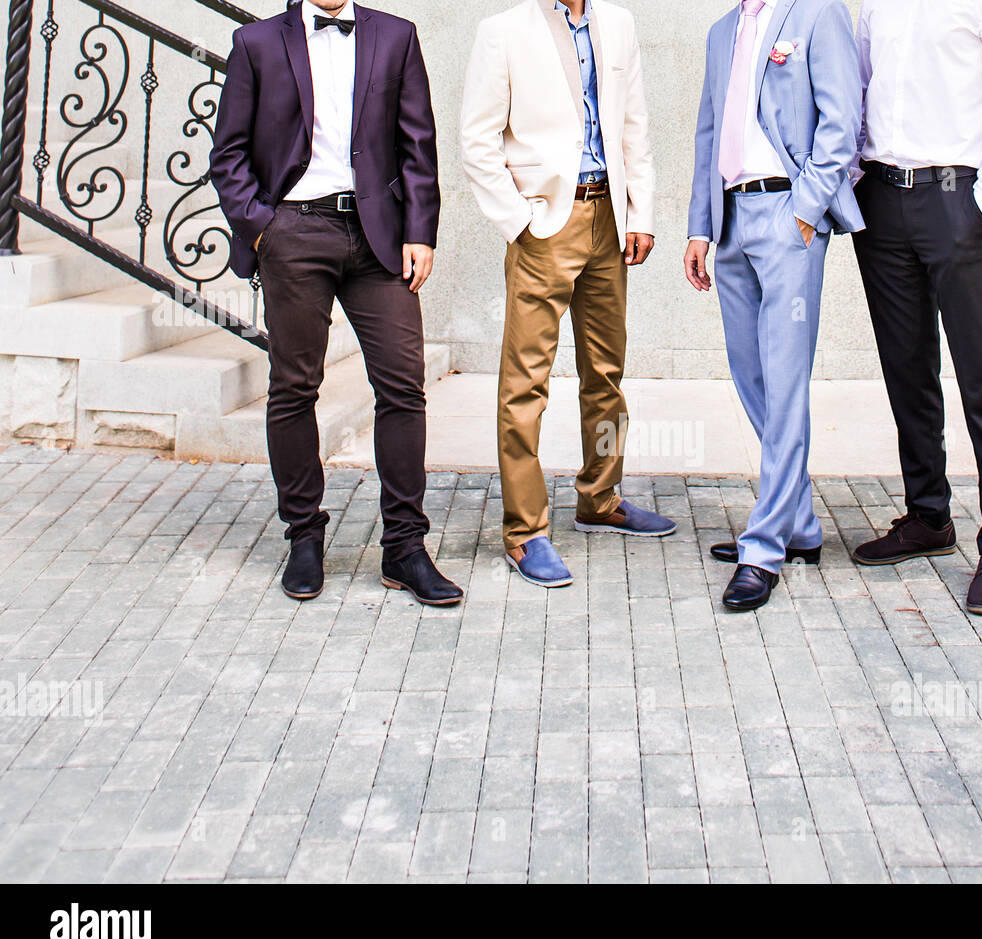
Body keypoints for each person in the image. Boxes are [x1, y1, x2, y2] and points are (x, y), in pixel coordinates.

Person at [211, 0, 462, 606]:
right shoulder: (257, 43)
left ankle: (405, 546)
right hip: (294, 232)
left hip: (378, 238)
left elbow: (417, 143)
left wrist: (420, 230)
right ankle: (304, 535)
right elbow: (228, 155)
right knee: (295, 386)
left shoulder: (397, 35)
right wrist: (264, 227)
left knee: (403, 387)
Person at [461, 0, 676, 589]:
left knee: (606, 371)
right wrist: (519, 221)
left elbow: (634, 125)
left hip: (609, 216)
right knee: (525, 382)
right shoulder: (501, 31)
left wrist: (641, 214)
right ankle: (525, 531)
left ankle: (600, 499)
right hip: (544, 227)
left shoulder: (620, 23)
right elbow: (476, 140)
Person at [850, 0, 982, 616]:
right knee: (907, 371)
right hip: (882, 200)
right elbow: (859, 83)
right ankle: (928, 515)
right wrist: (855, 177)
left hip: (958, 201)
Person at [685, 0, 863, 612]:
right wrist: (700, 229)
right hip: (732, 219)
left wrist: (807, 214)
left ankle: (764, 547)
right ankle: (800, 524)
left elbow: (842, 122)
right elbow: (710, 132)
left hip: (789, 217)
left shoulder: (819, 14)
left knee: (786, 381)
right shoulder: (720, 31)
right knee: (750, 373)